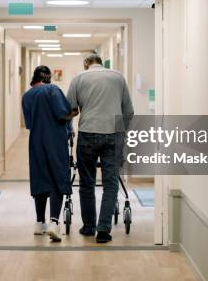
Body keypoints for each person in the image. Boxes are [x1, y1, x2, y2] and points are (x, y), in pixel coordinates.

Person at [66, 54, 134, 243]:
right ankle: (103, 230)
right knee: (110, 183)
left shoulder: (79, 78)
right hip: (113, 134)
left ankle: (88, 227)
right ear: (101, 63)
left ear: (86, 64)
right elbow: (128, 112)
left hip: (88, 133)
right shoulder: (118, 77)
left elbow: (71, 109)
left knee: (87, 182)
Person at [22, 65, 77, 242]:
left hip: (36, 141)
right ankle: (54, 223)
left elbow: (29, 124)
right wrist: (74, 112)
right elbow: (64, 114)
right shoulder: (52, 89)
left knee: (39, 177)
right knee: (57, 178)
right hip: (55, 140)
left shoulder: (27, 96)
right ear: (47, 77)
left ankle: (39, 223)